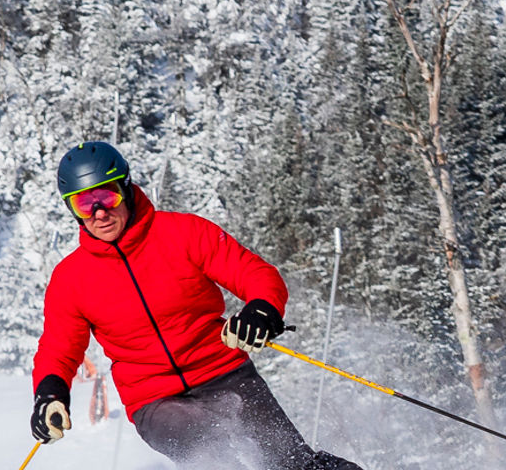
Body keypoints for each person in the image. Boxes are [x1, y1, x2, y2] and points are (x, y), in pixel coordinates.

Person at [27, 142, 360, 470]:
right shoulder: (71, 278)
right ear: (72, 209)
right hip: (156, 401)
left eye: (107, 196)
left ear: (126, 190)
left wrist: (261, 309)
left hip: (227, 375)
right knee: (215, 452)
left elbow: (255, 273)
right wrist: (50, 393)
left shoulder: (182, 233)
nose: (99, 212)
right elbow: (59, 347)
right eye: (84, 203)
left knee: (290, 462)